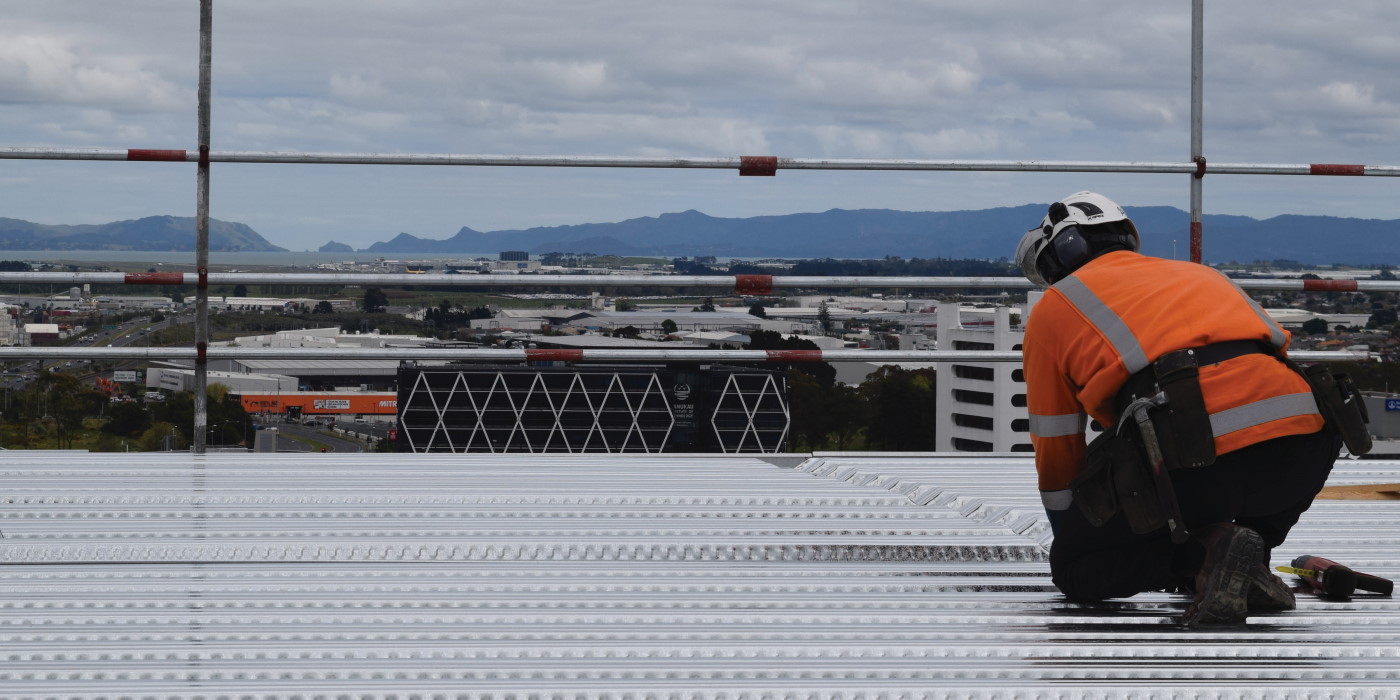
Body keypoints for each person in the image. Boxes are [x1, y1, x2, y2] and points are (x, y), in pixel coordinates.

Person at [1015, 191, 1340, 625]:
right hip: (1303, 453)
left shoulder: (1053, 309)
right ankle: (1245, 560)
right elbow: (1276, 350)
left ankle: (1205, 554)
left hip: (1195, 460)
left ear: (1064, 251)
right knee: (1239, 469)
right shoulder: (1203, 276)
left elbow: (1057, 443)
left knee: (1078, 570)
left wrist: (1073, 533)